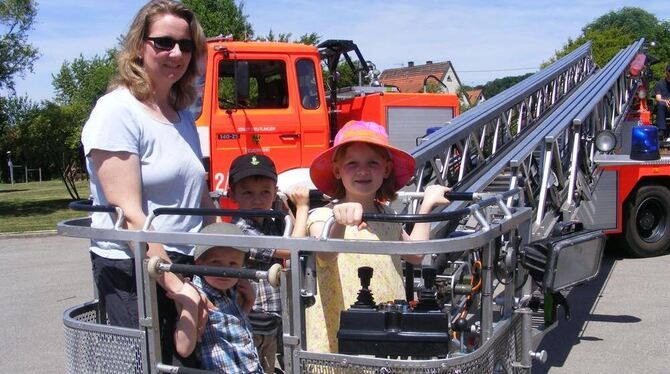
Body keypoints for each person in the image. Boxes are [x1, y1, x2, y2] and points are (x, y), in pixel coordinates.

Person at [80, 0, 212, 366]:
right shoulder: (117, 111)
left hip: (184, 261)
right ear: (140, 46)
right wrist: (175, 285)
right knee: (148, 364)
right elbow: (129, 213)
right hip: (134, 267)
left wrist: (225, 261)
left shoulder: (182, 113)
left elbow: (200, 199)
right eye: (164, 42)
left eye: (186, 45)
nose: (176, 53)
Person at [304, 120, 452, 353]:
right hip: (341, 331)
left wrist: (426, 207)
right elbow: (325, 253)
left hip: (386, 325)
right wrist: (339, 221)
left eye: (372, 163)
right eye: (352, 163)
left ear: (386, 169)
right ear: (337, 170)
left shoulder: (387, 214)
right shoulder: (324, 216)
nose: (363, 170)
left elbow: (414, 254)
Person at [227, 153, 310, 373]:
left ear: (275, 192)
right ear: (232, 194)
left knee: (268, 367)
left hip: (271, 319)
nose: (257, 200)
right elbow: (293, 248)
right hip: (250, 319)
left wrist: (287, 208)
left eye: (265, 192)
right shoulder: (240, 229)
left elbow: (292, 231)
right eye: (248, 193)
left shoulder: (272, 221)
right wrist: (302, 209)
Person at [173, 222, 263, 373]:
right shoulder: (197, 295)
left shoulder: (231, 292)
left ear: (242, 267)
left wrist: (248, 303)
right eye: (216, 263)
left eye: (233, 263)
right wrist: (190, 305)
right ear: (199, 262)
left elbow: (232, 329)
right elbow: (183, 348)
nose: (225, 271)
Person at [653, 63, 670, 141]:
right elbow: (658, 98)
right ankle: (661, 130)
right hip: (664, 107)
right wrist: (666, 101)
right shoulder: (659, 84)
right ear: (666, 72)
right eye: (669, 71)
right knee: (660, 104)